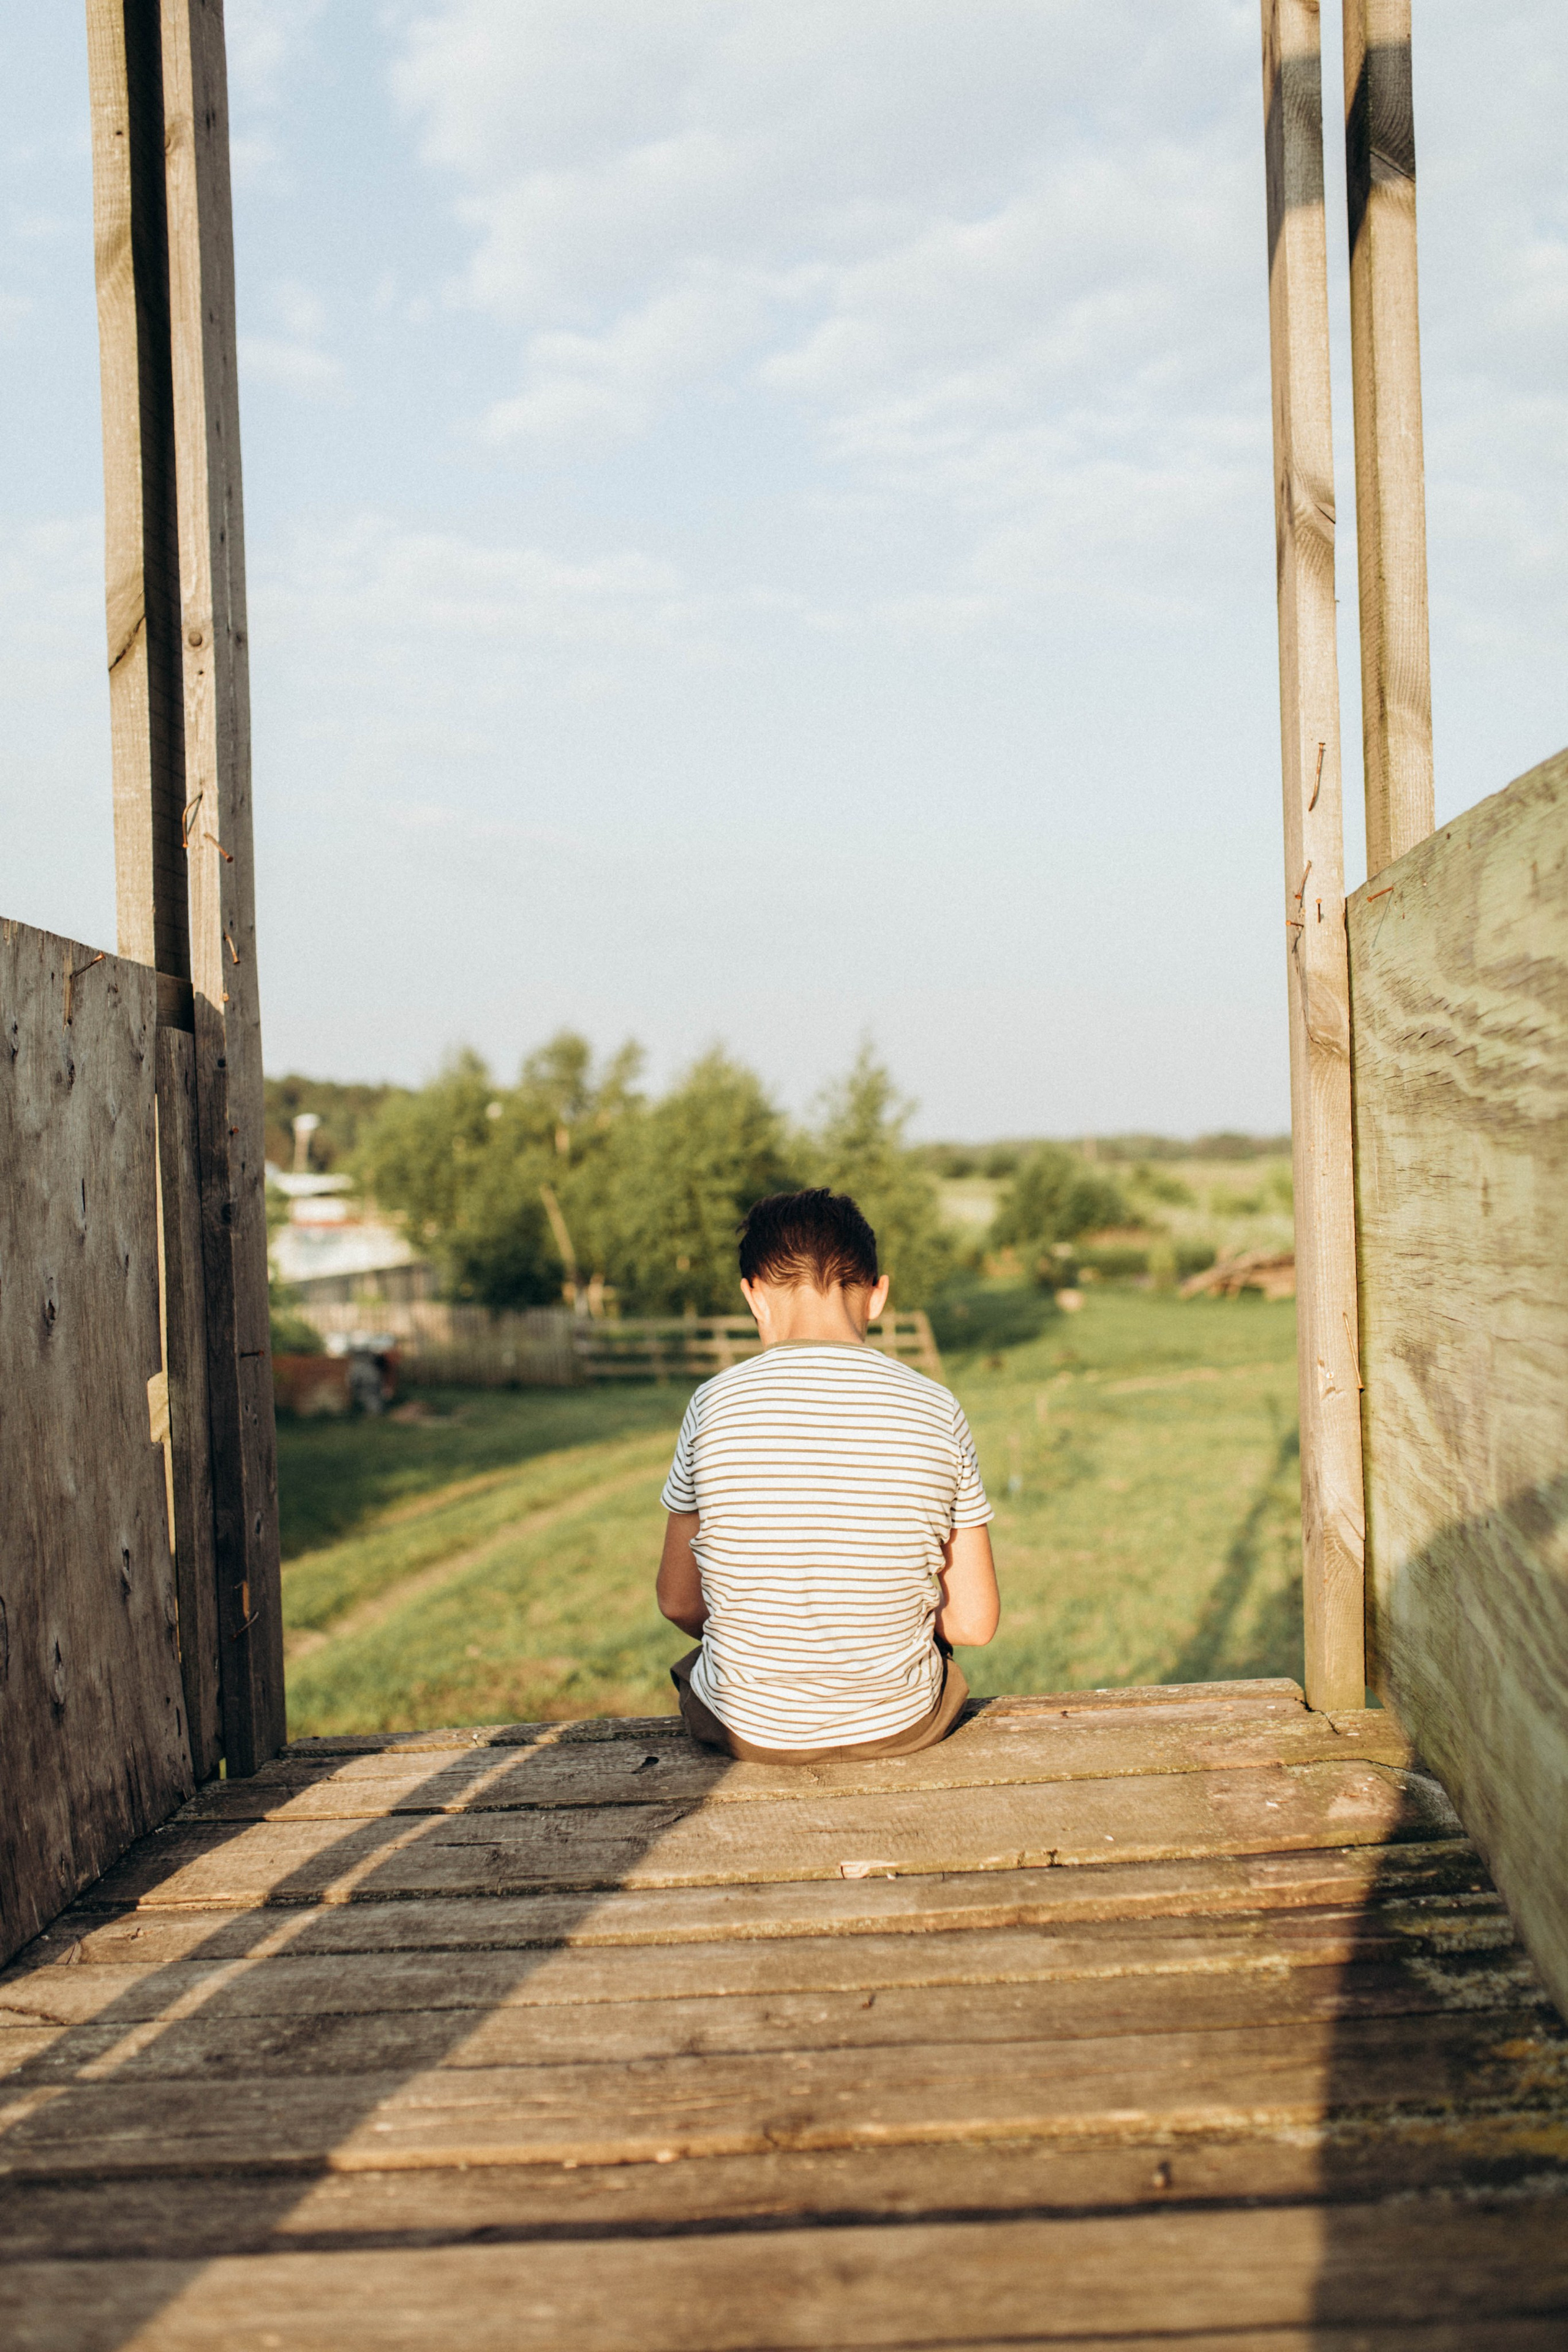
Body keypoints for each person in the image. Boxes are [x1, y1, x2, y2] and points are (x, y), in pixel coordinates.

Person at [656, 1188, 999, 1762]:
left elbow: (678, 1601)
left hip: (747, 1730)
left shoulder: (713, 1404)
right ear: (878, 1296)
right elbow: (974, 1621)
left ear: (753, 1296)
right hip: (901, 1724)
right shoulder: (937, 1407)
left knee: (703, 1668)